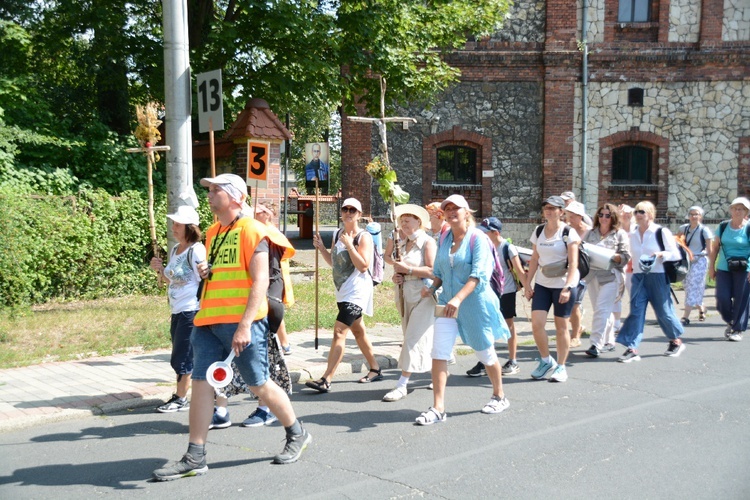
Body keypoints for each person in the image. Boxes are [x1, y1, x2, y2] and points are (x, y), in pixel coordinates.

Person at [152, 174, 311, 481]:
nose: (209, 195)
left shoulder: (253, 230)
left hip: (241, 321)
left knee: (258, 383)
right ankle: (195, 455)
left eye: (216, 190)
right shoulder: (213, 232)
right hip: (208, 319)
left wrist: (244, 326)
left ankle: (297, 432)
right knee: (201, 383)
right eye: (209, 190)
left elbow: (260, 280)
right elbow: (222, 272)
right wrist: (207, 270)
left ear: (236, 197)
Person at [415, 195, 511, 425]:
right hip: (447, 303)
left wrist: (458, 299)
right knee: (439, 353)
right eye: (447, 209)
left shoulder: (477, 238)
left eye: (455, 208)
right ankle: (438, 408)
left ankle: (499, 395)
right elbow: (440, 270)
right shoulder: (446, 237)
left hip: (474, 304)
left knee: (484, 351)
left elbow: (478, 275)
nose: (450, 212)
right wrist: (431, 287)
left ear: (466, 212)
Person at [209, 200, 296, 429]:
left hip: (263, 307)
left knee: (261, 366)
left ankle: (267, 409)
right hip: (233, 309)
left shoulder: (266, 236)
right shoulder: (234, 234)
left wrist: (265, 221)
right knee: (223, 361)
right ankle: (221, 409)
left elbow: (268, 277)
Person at [306, 198, 382, 392]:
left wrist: (349, 245)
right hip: (342, 290)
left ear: (359, 214)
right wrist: (322, 248)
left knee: (339, 332)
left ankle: (326, 379)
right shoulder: (337, 233)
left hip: (358, 291)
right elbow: (335, 263)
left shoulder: (363, 237)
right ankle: (375, 368)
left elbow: (363, 266)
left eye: (353, 210)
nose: (348, 212)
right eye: (345, 209)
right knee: (358, 331)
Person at [150, 205, 206, 413]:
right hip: (177, 310)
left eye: (177, 224)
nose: (173, 227)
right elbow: (171, 281)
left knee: (182, 356)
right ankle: (186, 394)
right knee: (180, 354)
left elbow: (205, 279)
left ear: (189, 227)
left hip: (192, 310)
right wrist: (159, 270)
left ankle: (181, 397)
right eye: (174, 223)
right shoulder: (175, 249)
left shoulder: (196, 250)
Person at [615, 201, 685, 362]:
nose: (638, 215)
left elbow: (675, 254)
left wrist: (661, 254)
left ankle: (676, 340)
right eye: (636, 212)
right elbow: (621, 227)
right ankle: (632, 348)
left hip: (658, 276)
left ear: (651, 215)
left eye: (642, 212)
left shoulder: (661, 231)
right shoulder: (632, 232)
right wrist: (622, 215)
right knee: (636, 311)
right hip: (639, 276)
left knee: (664, 312)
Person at [381, 204, 436, 402]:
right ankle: (440, 368)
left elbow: (433, 271)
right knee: (413, 335)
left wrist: (409, 271)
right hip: (405, 293)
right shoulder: (402, 244)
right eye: (401, 220)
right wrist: (398, 276)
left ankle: (402, 385)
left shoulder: (427, 242)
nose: (403, 224)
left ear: (418, 222)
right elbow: (399, 268)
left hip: (424, 294)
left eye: (407, 220)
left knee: (412, 338)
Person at [524, 196, 580, 382]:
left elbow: (573, 263)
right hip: (542, 283)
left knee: (561, 326)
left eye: (553, 208)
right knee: (537, 324)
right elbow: (534, 259)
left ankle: (561, 366)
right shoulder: (539, 230)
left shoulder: (568, 232)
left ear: (561, 212)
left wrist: (567, 287)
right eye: (546, 207)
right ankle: (546, 360)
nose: (548, 211)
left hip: (563, 284)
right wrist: (527, 284)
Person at [466, 216, 527, 376]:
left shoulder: (508, 247)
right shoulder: (482, 246)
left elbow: (519, 271)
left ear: (495, 232)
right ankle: (486, 361)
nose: (483, 235)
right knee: (486, 325)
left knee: (508, 326)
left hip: (506, 292)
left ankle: (513, 361)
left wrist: (528, 288)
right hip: (488, 292)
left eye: (487, 232)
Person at [581, 203, 631, 357]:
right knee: (601, 310)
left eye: (607, 215)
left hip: (611, 276)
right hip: (592, 275)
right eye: (601, 215)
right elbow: (581, 250)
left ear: (613, 217)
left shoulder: (619, 234)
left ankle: (595, 344)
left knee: (602, 309)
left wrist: (610, 255)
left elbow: (625, 256)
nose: (603, 218)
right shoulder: (590, 233)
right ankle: (609, 340)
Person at [709, 197, 750, 342]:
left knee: (741, 299)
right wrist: (711, 267)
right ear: (731, 210)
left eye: (741, 209)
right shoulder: (723, 226)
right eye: (735, 208)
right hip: (724, 267)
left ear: (746, 212)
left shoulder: (749, 227)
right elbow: (714, 248)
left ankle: (738, 329)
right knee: (722, 298)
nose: (738, 211)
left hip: (745, 268)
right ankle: (731, 320)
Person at [678, 206, 713, 325]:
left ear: (701, 216)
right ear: (688, 216)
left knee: (693, 286)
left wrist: (712, 265)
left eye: (696, 214)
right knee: (688, 286)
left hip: (700, 261)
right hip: (686, 261)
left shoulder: (704, 230)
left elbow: (710, 249)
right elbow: (677, 243)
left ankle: (685, 317)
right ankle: (701, 308)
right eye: (692, 214)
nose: (694, 216)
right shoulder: (683, 229)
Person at [564, 201, 591, 348]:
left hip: (584, 273)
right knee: (570, 305)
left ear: (581, 216)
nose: (570, 220)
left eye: (573, 217)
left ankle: (575, 336)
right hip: (568, 273)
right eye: (568, 216)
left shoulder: (590, 232)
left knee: (575, 304)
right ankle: (577, 328)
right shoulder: (566, 231)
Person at [612, 204, 634, 332]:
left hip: (633, 269)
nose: (626, 216)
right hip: (619, 268)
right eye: (623, 213)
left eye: (628, 213)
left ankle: (633, 321)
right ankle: (616, 323)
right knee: (617, 296)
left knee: (634, 297)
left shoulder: (636, 230)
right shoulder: (616, 231)